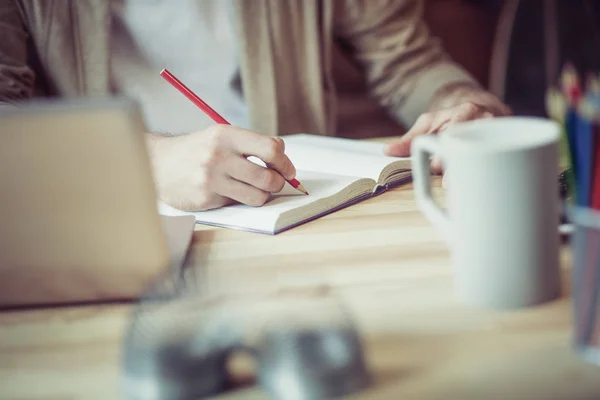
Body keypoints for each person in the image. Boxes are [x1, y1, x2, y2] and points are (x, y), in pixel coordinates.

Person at [0, 0, 510, 211]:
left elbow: (409, 61)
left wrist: (462, 106)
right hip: (102, 211)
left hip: (289, 217)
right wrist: (140, 161)